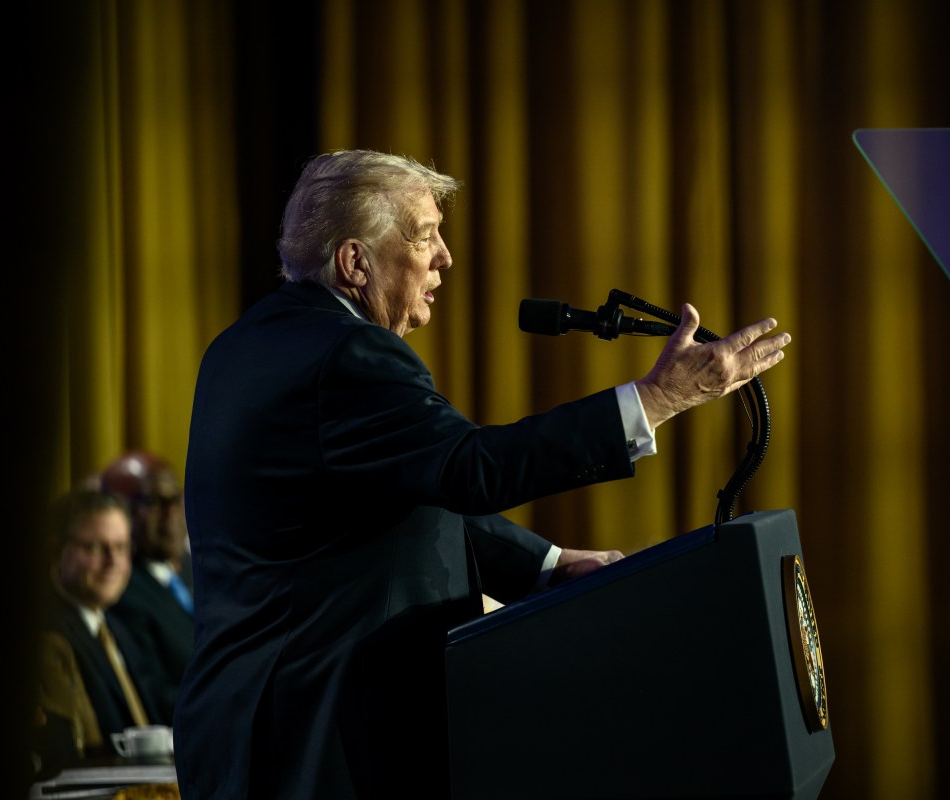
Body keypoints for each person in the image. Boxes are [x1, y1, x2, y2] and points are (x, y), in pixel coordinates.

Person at [173, 150, 793, 799]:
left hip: (250, 728)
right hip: (318, 739)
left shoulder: (246, 344)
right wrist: (658, 398)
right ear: (355, 262)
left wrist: (548, 564)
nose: (443, 258)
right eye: (423, 237)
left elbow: (404, 498)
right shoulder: (348, 354)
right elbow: (471, 469)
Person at [36, 489, 168, 761]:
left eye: (121, 547)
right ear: (56, 550)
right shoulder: (47, 635)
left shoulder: (118, 629)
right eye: (95, 548)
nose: (113, 561)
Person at [101, 450, 194, 723]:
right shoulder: (120, 591)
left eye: (175, 499)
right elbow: (158, 698)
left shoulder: (194, 571)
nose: (171, 514)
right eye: (154, 503)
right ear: (119, 512)